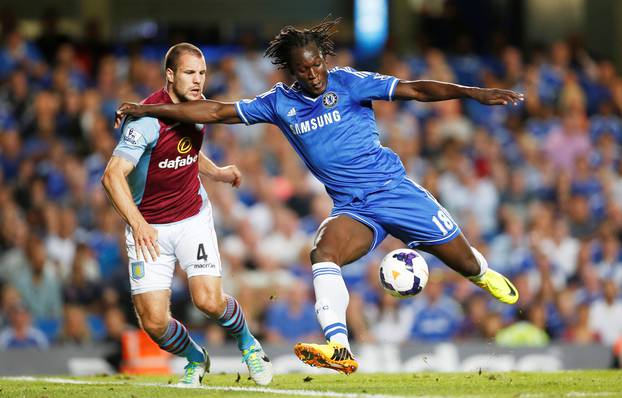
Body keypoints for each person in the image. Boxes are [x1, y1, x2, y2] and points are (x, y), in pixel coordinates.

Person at [115, 20, 523, 375]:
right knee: (322, 252)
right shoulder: (279, 102)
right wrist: (150, 111)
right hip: (353, 208)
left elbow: (415, 90)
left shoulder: (350, 82)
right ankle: (338, 347)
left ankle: (481, 273)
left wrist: (473, 93)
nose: (313, 73)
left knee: (467, 264)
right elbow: (216, 112)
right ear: (291, 71)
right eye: (303, 68)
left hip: (395, 193)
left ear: (324, 57)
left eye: (317, 63)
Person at [102, 42, 272, 386]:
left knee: (208, 301)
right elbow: (111, 175)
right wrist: (138, 224)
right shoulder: (145, 122)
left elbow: (185, 152)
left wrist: (217, 172)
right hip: (148, 228)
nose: (198, 81)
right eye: (189, 73)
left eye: (202, 73)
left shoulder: (196, 108)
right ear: (169, 75)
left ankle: (248, 343)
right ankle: (196, 358)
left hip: (192, 218)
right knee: (153, 323)